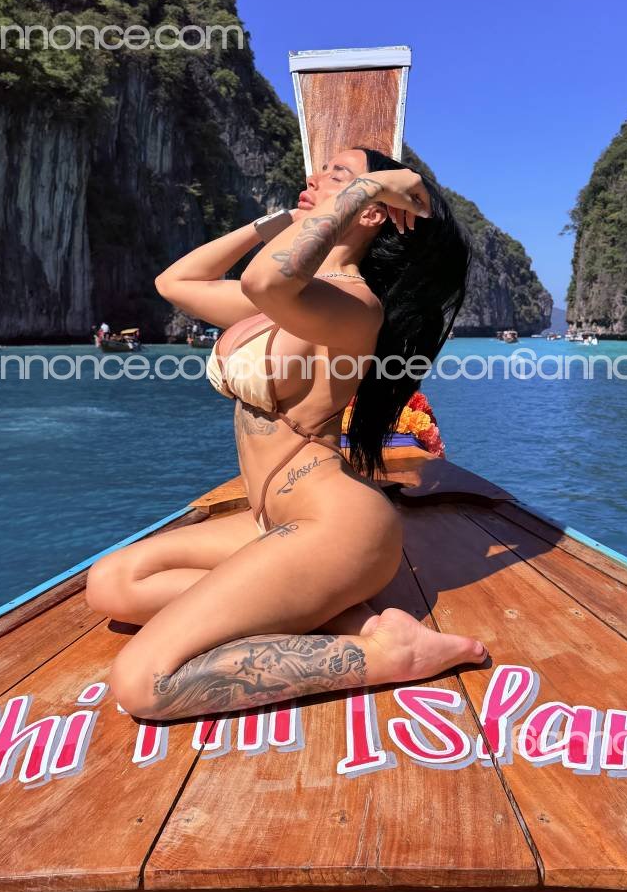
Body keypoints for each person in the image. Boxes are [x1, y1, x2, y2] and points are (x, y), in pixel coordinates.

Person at [86, 146, 486, 722]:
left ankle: (385, 653)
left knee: (143, 684)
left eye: (337, 174)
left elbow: (265, 279)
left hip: (337, 527)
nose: (315, 177)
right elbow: (175, 281)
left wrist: (368, 188)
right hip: (272, 519)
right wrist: (278, 221)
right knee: (112, 583)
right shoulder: (285, 301)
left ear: (371, 210)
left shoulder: (354, 306)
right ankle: (345, 617)